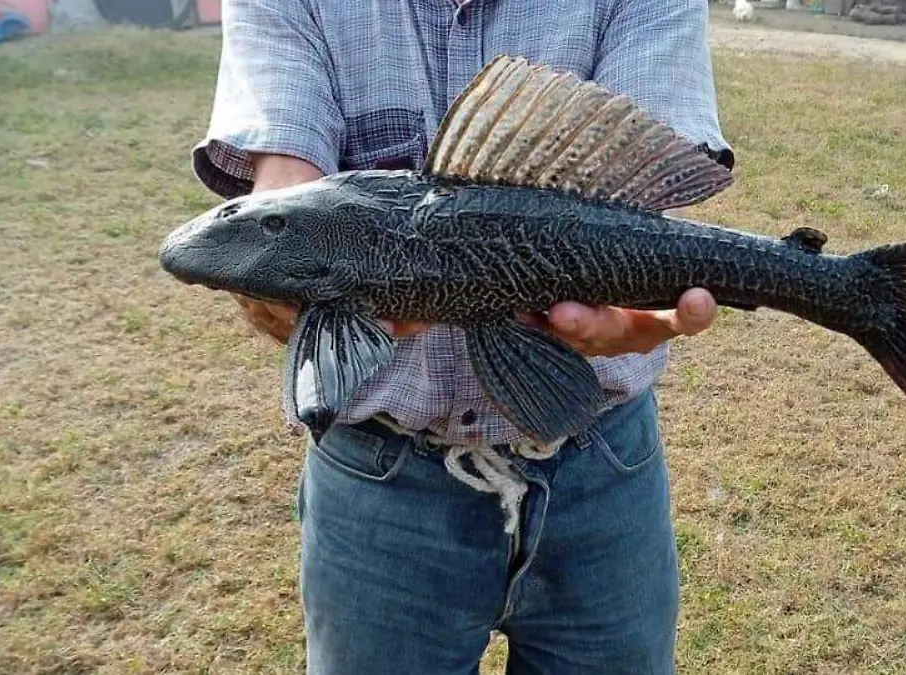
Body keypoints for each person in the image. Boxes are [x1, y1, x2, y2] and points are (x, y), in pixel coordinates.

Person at [191, 1, 736, 673]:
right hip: (382, 480)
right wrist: (282, 288)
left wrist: (628, 309)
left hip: (602, 467)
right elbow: (288, 189)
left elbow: (648, 196)